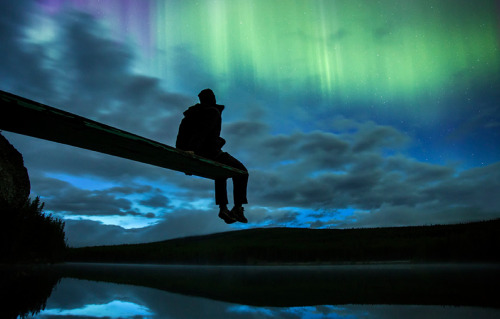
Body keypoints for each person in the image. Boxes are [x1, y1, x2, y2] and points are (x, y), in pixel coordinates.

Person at [176, 89, 249, 224]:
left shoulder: (192, 113)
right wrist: (191, 150)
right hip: (207, 151)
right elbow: (202, 132)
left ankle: (223, 208)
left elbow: (183, 132)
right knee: (242, 171)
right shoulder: (212, 112)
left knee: (221, 172)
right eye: (212, 97)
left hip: (194, 150)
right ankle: (237, 207)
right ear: (211, 98)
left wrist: (183, 150)